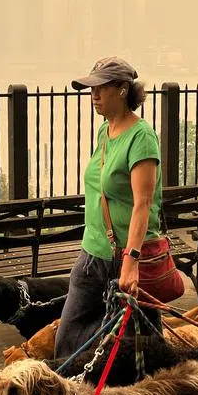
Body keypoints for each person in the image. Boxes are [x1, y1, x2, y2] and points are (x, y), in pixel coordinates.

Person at [54, 56, 164, 359]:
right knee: (67, 339)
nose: (94, 95)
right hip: (91, 253)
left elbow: (143, 203)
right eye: (91, 89)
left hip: (125, 257)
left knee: (142, 345)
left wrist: (131, 261)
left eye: (101, 88)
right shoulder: (105, 132)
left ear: (122, 89)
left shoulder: (141, 137)